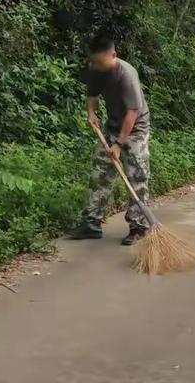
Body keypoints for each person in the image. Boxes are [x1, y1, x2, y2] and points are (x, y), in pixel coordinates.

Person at [71, 35, 151, 245]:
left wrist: (118, 144)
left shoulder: (126, 75)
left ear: (113, 55)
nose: (95, 66)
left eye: (99, 61)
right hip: (112, 128)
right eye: (93, 61)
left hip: (135, 130)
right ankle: (91, 224)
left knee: (136, 179)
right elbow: (92, 95)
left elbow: (132, 113)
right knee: (99, 175)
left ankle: (138, 226)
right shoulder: (97, 70)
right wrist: (91, 113)